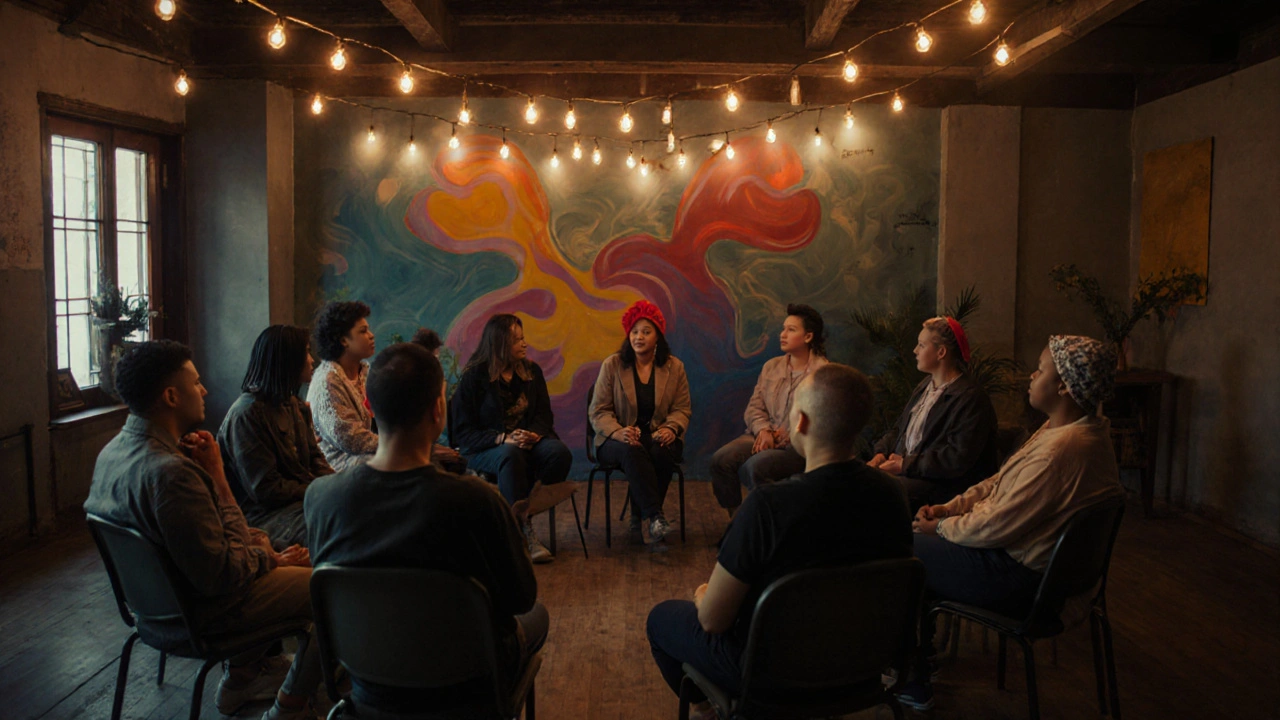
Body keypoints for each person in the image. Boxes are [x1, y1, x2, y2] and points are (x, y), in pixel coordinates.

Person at [647, 364, 912, 717]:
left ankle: (711, 709)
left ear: (799, 422)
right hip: (862, 667)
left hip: (770, 675)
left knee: (661, 619)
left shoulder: (767, 506)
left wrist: (702, 596)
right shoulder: (892, 495)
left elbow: (713, 620)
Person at [305, 342, 545, 717]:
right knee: (537, 617)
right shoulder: (477, 500)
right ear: (437, 410)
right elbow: (520, 598)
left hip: (369, 686)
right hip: (466, 686)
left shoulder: (321, 499)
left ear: (369, 407)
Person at [84, 341, 320, 720]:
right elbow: (223, 576)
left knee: (270, 545)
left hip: (152, 611)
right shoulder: (170, 472)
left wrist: (260, 548)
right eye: (196, 382)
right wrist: (269, 559)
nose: (205, 389)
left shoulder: (111, 453)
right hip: (198, 615)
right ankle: (289, 706)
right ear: (172, 395)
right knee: (324, 586)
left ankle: (241, 679)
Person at [897, 335, 1124, 711]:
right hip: (1045, 574)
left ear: (1064, 386)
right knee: (923, 546)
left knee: (906, 547)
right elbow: (999, 482)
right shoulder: (1072, 428)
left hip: (1025, 583)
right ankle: (919, 660)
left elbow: (996, 525)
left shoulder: (1061, 450)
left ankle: (913, 674)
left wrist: (938, 528)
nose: (1031, 376)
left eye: (1040, 369)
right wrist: (950, 508)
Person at [451, 314, 573, 563]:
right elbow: (463, 433)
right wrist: (502, 439)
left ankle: (519, 506)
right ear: (499, 344)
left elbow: (543, 416)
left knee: (559, 453)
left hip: (525, 446)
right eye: (517, 340)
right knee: (510, 454)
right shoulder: (474, 377)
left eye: (523, 338)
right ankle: (524, 531)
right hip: (488, 447)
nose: (525, 344)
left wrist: (533, 435)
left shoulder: (532, 372)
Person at [218, 325, 334, 549]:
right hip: (264, 516)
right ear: (287, 361)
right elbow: (265, 490)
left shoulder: (294, 405)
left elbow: (314, 459)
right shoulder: (247, 415)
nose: (312, 360)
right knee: (331, 526)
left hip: (299, 501)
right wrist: (317, 489)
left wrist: (335, 484)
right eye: (306, 352)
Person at [710, 304, 829, 516]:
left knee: (756, 467)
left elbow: (819, 418)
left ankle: (769, 523)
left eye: (791, 330)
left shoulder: (823, 372)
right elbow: (755, 407)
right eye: (783, 329)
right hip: (764, 435)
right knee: (721, 459)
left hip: (799, 446)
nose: (782, 335)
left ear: (808, 336)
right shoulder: (771, 367)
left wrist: (788, 436)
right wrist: (763, 430)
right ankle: (738, 520)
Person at [589, 301, 692, 546]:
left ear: (658, 336)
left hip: (657, 434)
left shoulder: (674, 367)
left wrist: (670, 428)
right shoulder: (612, 365)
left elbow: (682, 408)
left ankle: (641, 517)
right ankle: (654, 517)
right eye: (635, 332)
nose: (639, 337)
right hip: (616, 439)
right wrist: (617, 431)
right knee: (633, 450)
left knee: (662, 451)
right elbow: (598, 411)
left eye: (646, 331)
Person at [869, 317, 998, 510]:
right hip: (914, 473)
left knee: (877, 492)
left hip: (945, 486)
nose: (915, 350)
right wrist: (881, 453)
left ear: (941, 352)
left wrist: (906, 465)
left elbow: (956, 459)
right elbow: (899, 430)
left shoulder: (970, 398)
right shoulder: (925, 387)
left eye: (921, 345)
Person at [307, 301, 378, 472]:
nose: (371, 335)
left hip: (367, 455)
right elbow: (351, 440)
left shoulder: (366, 371)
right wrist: (398, 445)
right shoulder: (327, 381)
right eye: (363, 331)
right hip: (334, 465)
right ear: (343, 340)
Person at [410, 328, 466, 473]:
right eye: (436, 351)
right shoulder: (432, 372)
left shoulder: (410, 370)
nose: (438, 355)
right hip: (430, 437)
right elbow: (438, 409)